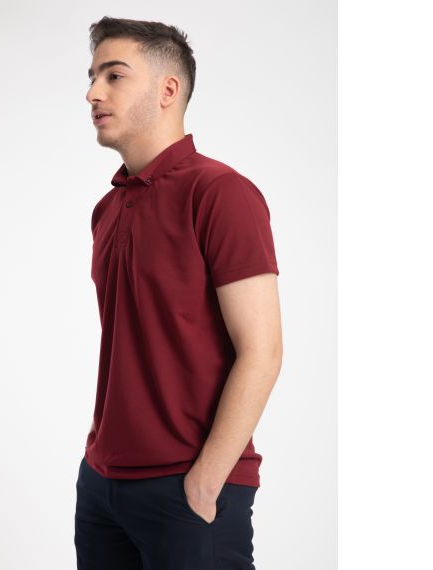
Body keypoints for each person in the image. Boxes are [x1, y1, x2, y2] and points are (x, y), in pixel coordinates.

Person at [75, 16, 283, 570]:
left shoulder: (221, 193)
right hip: (102, 484)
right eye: (92, 77)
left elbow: (262, 350)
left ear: (168, 90)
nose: (93, 92)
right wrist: (95, 462)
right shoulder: (107, 208)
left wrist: (206, 480)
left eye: (114, 76)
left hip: (188, 487)